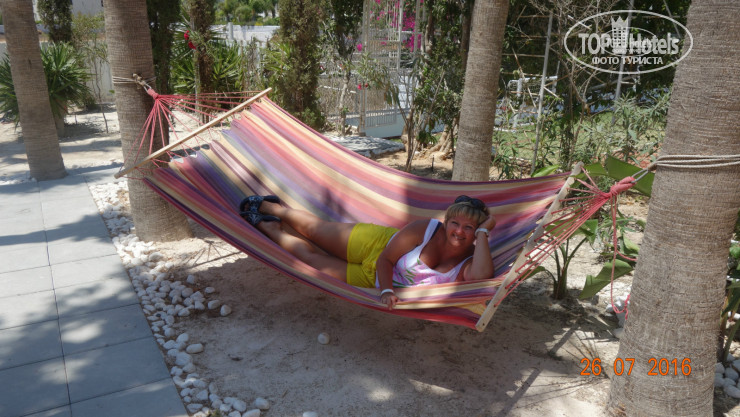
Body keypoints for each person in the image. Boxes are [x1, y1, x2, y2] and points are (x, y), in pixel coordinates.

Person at [239, 195, 497, 309]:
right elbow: (386, 258)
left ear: (477, 231)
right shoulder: (426, 229)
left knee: (311, 260)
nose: (459, 232)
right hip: (374, 245)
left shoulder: (469, 262)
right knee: (316, 231)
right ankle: (272, 208)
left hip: (371, 280)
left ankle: (269, 227)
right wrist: (387, 291)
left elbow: (481, 277)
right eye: (455, 223)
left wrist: (484, 232)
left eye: (469, 228)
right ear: (446, 222)